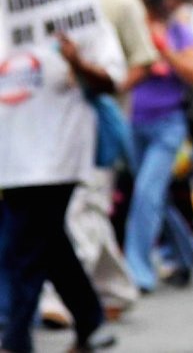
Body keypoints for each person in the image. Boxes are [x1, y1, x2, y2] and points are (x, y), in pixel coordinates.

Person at [35, 0, 157, 326]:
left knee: (84, 207)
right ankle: (116, 288)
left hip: (98, 125)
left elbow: (142, 61)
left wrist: (106, 89)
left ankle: (59, 298)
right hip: (56, 123)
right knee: (84, 209)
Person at [0, 28, 122, 352]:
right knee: (48, 240)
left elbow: (111, 81)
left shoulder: (83, 25)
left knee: (24, 244)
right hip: (12, 157)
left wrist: (76, 62)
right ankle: (90, 322)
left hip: (59, 153)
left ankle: (16, 339)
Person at [125, 0, 193, 293]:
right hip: (133, 123)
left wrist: (164, 51)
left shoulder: (177, 32)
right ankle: (187, 251)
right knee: (154, 198)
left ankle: (138, 273)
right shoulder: (129, 32)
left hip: (168, 125)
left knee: (146, 194)